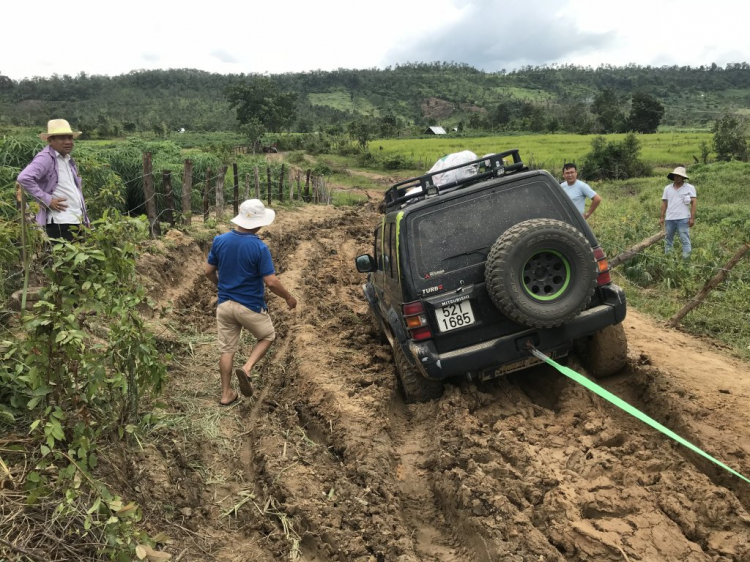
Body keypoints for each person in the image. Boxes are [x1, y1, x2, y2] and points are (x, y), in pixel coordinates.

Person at [204, 199, 297, 406]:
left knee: (227, 350)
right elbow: (271, 282)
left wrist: (220, 286)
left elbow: (208, 271)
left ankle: (226, 394)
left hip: (225, 305)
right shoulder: (259, 247)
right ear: (258, 222)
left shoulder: (220, 240)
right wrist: (289, 298)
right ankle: (247, 368)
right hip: (249, 306)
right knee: (267, 336)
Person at [17, 119, 90, 241]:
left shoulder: (67, 160)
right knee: (64, 258)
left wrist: (85, 219)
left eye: (70, 138)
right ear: (50, 140)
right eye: (62, 138)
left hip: (75, 220)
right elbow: (24, 178)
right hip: (60, 222)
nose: (68, 142)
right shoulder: (46, 158)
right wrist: (47, 200)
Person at [660, 166, 696, 259]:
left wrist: (692, 218)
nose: (677, 177)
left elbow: (693, 203)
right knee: (668, 240)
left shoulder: (690, 188)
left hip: (683, 219)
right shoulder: (667, 188)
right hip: (670, 219)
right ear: (673, 176)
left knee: (685, 240)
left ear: (683, 177)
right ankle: (668, 260)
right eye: (675, 175)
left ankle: (686, 262)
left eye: (679, 176)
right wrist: (662, 217)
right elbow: (664, 203)